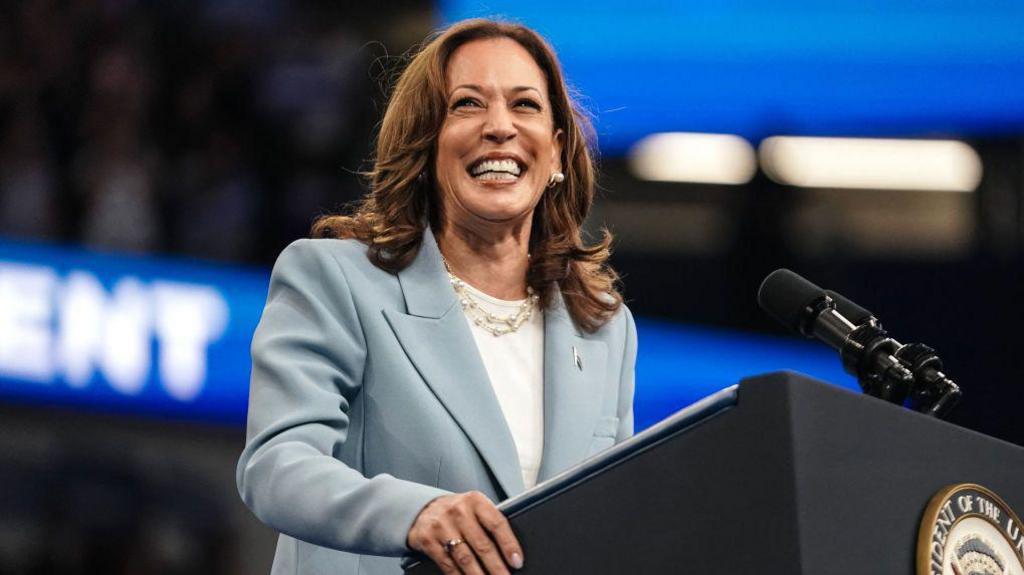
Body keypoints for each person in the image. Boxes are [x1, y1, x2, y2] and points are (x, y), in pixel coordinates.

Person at [236, 18, 637, 575]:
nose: (500, 126)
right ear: (425, 144)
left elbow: (612, 518)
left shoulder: (602, 327)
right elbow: (277, 466)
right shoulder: (336, 280)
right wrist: (415, 513)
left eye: (525, 106)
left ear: (558, 154)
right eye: (468, 104)